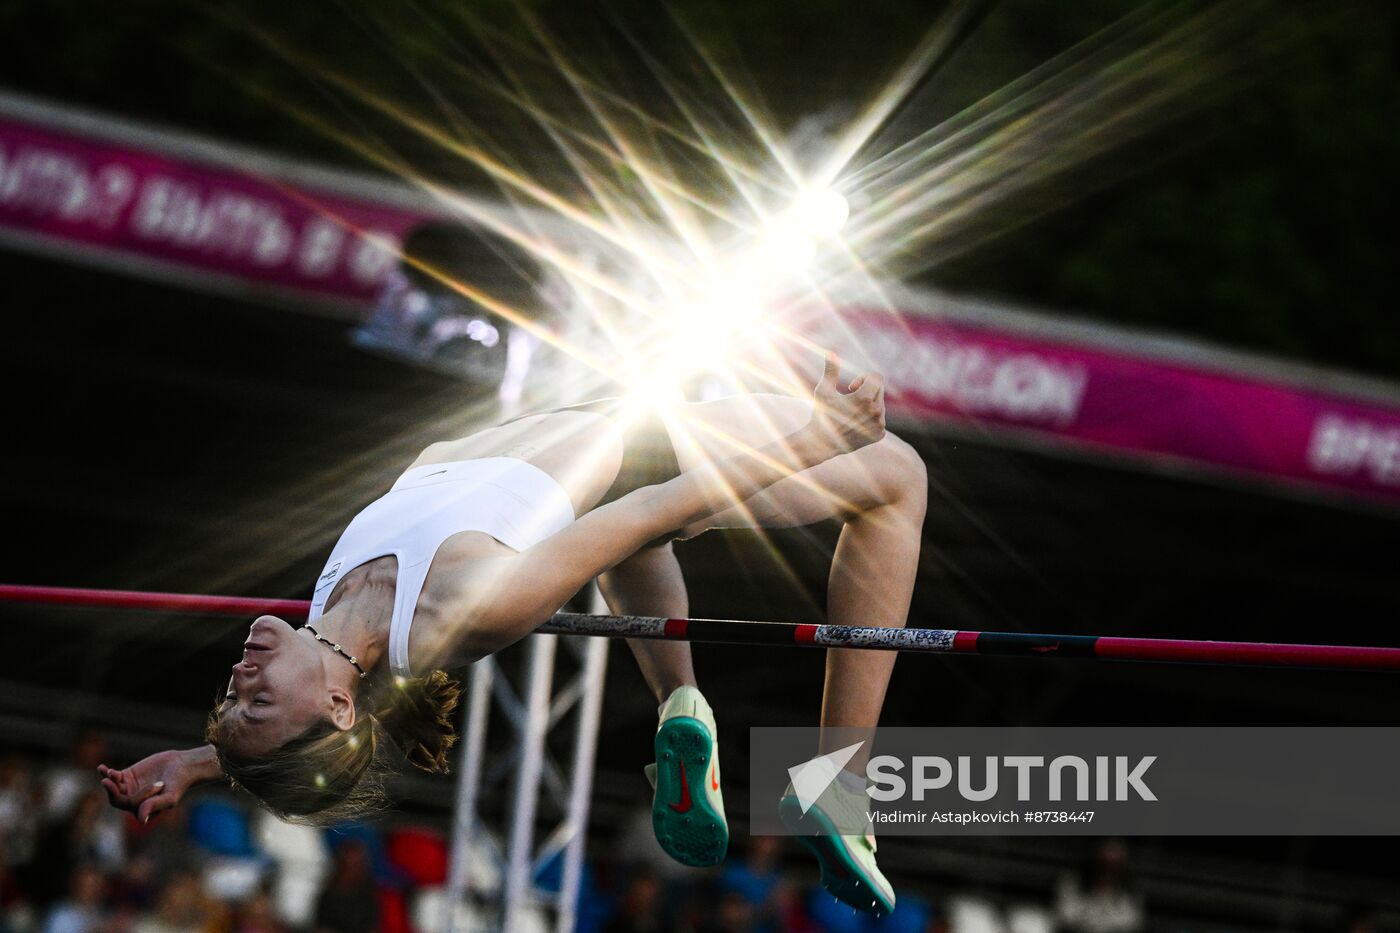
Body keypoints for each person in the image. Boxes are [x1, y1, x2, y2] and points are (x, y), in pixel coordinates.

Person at [98, 357, 927, 914]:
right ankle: (837, 784)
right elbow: (660, 502)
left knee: (619, 538)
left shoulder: (333, 620)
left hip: (594, 429)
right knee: (897, 480)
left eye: (232, 697)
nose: (240, 678)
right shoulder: (461, 607)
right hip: (651, 444)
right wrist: (814, 440)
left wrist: (205, 759)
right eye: (257, 701)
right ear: (339, 705)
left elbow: (299, 742)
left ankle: (682, 700)